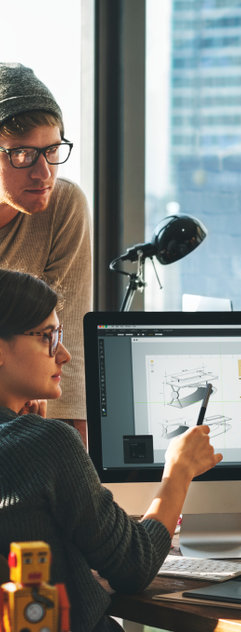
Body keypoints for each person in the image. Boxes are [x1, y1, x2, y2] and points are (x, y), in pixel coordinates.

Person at [0, 269, 222, 632]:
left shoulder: (28, 441)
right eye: (47, 338)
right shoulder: (47, 444)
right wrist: (178, 472)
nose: (64, 355)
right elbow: (134, 566)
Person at [0, 63, 91, 443]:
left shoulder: (63, 204)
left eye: (52, 150)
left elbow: (65, 344)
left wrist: (79, 465)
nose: (44, 174)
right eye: (22, 154)